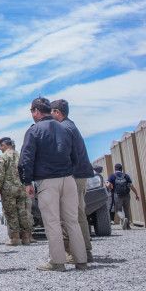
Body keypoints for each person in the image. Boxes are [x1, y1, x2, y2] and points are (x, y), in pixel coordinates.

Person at [19, 97, 87, 271]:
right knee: (72, 221)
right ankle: (81, 260)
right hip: (68, 179)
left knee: (52, 222)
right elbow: (76, 156)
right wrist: (69, 170)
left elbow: (27, 158)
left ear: (36, 111)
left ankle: (57, 261)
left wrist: (27, 181)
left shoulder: (34, 131)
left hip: (48, 181)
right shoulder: (65, 128)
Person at [51, 99, 94, 263]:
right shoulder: (70, 126)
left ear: (57, 112)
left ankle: (81, 252)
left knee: (73, 215)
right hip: (77, 176)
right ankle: (80, 251)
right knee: (75, 214)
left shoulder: (64, 128)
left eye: (51, 112)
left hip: (73, 177)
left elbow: (63, 154)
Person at [0, 137, 33, 246]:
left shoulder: (3, 157)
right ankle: (26, 237)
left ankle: (15, 238)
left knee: (11, 213)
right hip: (21, 187)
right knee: (23, 212)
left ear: (4, 145)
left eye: (0, 146)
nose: (0, 148)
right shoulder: (20, 156)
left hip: (8, 189)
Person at [107, 163, 140, 228]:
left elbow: (108, 186)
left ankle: (123, 218)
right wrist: (136, 194)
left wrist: (111, 190)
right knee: (126, 210)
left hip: (117, 195)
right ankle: (128, 225)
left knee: (118, 210)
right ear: (121, 169)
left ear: (115, 169)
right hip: (127, 195)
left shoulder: (112, 176)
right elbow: (131, 186)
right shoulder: (126, 176)